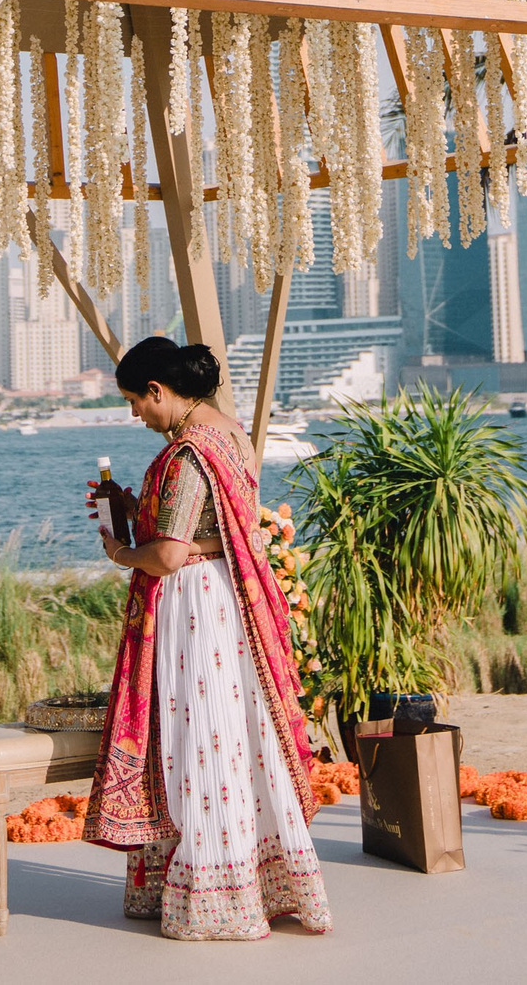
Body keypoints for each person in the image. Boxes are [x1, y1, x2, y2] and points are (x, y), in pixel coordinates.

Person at [82, 337, 332, 941]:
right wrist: (138, 508)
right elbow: (215, 528)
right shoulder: (231, 435)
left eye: (135, 402)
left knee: (200, 737)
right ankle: (263, 877)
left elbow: (167, 555)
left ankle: (217, 893)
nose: (135, 415)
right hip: (229, 600)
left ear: (159, 391)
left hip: (195, 607)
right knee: (236, 737)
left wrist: (121, 551)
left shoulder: (187, 454)